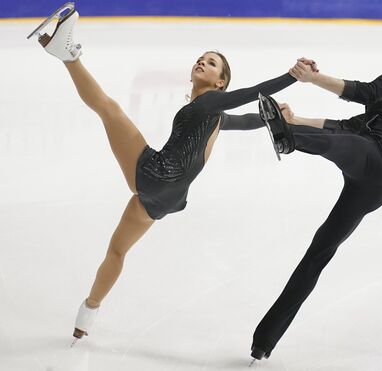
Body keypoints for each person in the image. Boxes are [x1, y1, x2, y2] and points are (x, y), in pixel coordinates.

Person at [28, 4, 297, 344]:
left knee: (109, 110)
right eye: (201, 58)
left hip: (158, 175)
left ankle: (67, 54)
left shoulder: (208, 104)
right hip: (167, 198)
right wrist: (272, 118)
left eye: (211, 62)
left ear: (220, 82)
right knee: (117, 251)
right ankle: (87, 313)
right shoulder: (210, 114)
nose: (202, 62)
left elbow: (246, 97)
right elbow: (243, 120)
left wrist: (291, 77)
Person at [251, 21, 382, 361]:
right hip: (372, 182)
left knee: (348, 144)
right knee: (318, 252)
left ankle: (288, 139)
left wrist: (312, 79)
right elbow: (345, 127)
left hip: (377, 160)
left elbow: (363, 93)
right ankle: (264, 341)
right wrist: (297, 120)